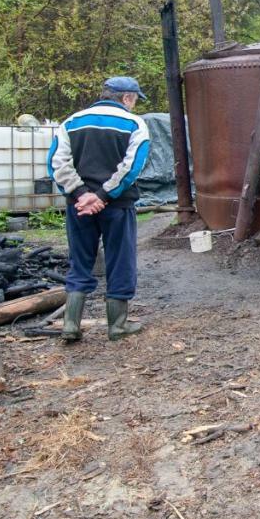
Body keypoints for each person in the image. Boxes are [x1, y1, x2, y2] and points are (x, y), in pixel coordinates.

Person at [48, 76, 152, 341]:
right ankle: (117, 325)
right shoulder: (134, 124)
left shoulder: (72, 122)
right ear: (127, 98)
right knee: (120, 260)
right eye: (135, 100)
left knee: (80, 260)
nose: (135, 105)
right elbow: (132, 166)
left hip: (79, 207)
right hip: (117, 206)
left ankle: (70, 324)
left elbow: (56, 163)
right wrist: (104, 195)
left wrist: (82, 194)